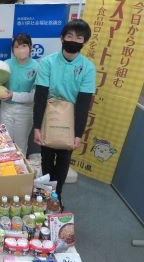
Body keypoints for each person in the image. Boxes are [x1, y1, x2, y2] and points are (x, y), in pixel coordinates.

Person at [33, 19, 96, 208]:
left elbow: (84, 103)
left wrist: (78, 134)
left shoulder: (88, 67)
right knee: (46, 156)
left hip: (71, 117)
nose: (73, 40)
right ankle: (45, 194)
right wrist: (37, 127)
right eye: (69, 36)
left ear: (85, 42)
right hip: (49, 115)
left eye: (79, 37)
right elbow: (40, 96)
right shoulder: (47, 62)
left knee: (63, 160)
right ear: (62, 38)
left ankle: (57, 196)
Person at [0, 33, 38, 155]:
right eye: (16, 47)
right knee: (3, 143)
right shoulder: (6, 64)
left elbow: (35, 95)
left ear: (30, 47)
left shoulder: (37, 67)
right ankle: (5, 172)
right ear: (13, 50)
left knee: (20, 145)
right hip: (6, 108)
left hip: (25, 111)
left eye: (24, 46)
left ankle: (21, 173)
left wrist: (13, 95)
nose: (20, 49)